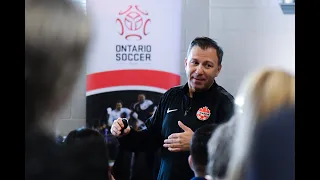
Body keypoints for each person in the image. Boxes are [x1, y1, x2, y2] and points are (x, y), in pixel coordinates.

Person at [111, 37, 235, 180]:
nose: (199, 70)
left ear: (218, 70)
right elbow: (151, 139)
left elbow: (233, 150)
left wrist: (196, 143)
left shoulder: (225, 103)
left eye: (207, 65)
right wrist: (126, 134)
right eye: (194, 63)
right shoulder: (171, 96)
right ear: (186, 63)